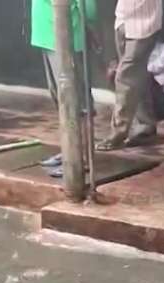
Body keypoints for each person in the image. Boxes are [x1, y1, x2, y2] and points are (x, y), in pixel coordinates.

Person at [30, 0, 98, 171]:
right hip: (47, 37)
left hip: (68, 38)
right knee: (61, 99)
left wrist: (89, 28)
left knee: (76, 100)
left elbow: (89, 8)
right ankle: (69, 151)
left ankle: (82, 157)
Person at [96, 0, 163, 150]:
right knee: (136, 77)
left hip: (144, 23)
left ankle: (118, 133)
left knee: (125, 78)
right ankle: (145, 126)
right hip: (123, 19)